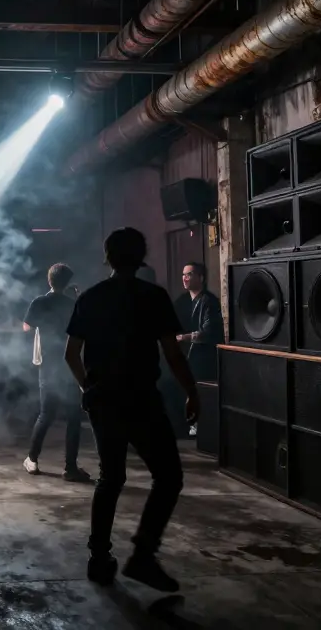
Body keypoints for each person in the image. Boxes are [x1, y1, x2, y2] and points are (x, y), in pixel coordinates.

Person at [64, 227, 199, 593]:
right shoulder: (153, 296)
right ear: (142, 257)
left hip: (104, 399)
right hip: (142, 397)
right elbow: (172, 354)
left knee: (111, 477)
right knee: (168, 477)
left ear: (107, 256)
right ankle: (142, 555)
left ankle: (99, 557)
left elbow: (70, 354)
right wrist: (192, 392)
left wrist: (87, 388)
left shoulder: (90, 298)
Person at [22, 263, 92, 482]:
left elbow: (27, 326)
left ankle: (32, 459)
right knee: (73, 417)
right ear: (68, 282)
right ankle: (70, 468)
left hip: (48, 363)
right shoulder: (72, 303)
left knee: (46, 414)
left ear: (49, 280)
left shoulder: (40, 301)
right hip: (70, 364)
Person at [173, 262, 223, 383]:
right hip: (184, 359)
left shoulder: (209, 301)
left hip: (204, 359)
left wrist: (184, 337)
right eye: (183, 275)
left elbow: (208, 333)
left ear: (200, 277)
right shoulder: (181, 300)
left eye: (189, 274)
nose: (184, 278)